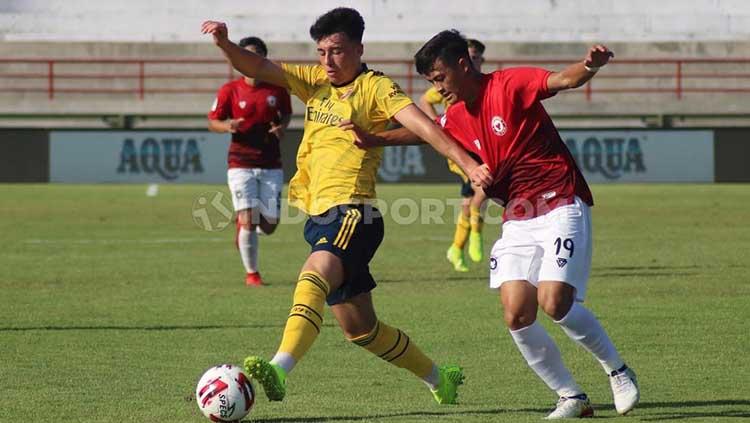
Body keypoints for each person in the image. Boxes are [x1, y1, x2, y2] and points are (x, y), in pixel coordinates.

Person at [201, 9, 492, 406]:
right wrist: (223, 44)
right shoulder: (315, 80)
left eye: (336, 51)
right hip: (319, 214)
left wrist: (469, 163)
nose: (328, 61)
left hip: (353, 211)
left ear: (358, 48)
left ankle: (279, 368)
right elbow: (256, 64)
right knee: (361, 329)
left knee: (313, 273)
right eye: (321, 51)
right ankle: (442, 378)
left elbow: (425, 125)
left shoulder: (376, 88)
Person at [350, 30, 640, 419]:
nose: (437, 88)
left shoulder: (509, 83)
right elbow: (425, 135)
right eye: (430, 82)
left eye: (439, 78)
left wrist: (590, 65)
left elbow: (563, 80)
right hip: (518, 217)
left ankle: (618, 371)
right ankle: (571, 396)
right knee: (516, 314)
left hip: (559, 202)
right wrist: (374, 140)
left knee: (554, 301)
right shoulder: (453, 115)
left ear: (462, 65)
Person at [207, 36, 292, 287]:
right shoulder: (229, 91)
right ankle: (252, 274)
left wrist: (281, 127)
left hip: (270, 163)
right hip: (240, 162)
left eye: (254, 56)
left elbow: (286, 114)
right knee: (249, 218)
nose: (248, 61)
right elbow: (213, 122)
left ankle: (245, 227)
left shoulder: (277, 89)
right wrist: (227, 125)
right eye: (243, 56)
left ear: (263, 59)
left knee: (270, 224)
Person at [417, 38, 488, 272]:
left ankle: (456, 249)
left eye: (477, 57)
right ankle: (476, 236)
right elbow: (425, 99)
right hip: (460, 148)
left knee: (469, 202)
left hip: (480, 144)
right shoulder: (449, 84)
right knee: (482, 189)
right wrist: (436, 125)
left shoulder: (483, 84)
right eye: (470, 56)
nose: (473, 60)